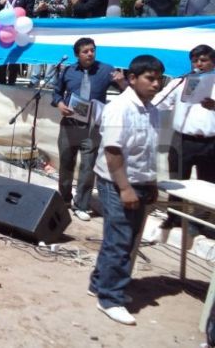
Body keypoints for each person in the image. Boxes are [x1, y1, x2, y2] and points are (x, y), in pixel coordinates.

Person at [89, 54, 164, 326]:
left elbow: (148, 150)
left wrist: (151, 182)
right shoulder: (120, 108)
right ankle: (110, 298)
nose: (156, 84)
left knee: (125, 239)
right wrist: (125, 188)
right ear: (132, 79)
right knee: (120, 241)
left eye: (159, 79)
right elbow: (112, 151)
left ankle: (99, 283)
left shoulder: (151, 109)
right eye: (150, 78)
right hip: (117, 182)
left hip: (140, 182)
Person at [52, 37, 126, 221]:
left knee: (88, 167)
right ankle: (64, 199)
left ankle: (81, 205)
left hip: (92, 127)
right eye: (85, 51)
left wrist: (123, 82)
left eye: (92, 50)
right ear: (77, 54)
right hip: (70, 125)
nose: (90, 54)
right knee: (66, 163)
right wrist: (60, 105)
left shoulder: (107, 70)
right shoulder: (68, 71)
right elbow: (56, 92)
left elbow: (128, 93)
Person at [153, 44, 215, 237]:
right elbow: (160, 102)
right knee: (177, 180)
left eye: (203, 60)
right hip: (181, 139)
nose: (199, 64)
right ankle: (174, 217)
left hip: (209, 142)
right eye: (195, 60)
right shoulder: (180, 81)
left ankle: (203, 222)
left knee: (207, 184)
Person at [30, 0, 69, 87]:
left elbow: (65, 6)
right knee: (39, 50)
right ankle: (34, 79)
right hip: (41, 24)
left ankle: (50, 81)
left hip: (55, 25)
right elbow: (34, 10)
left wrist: (48, 6)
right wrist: (39, 9)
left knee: (53, 51)